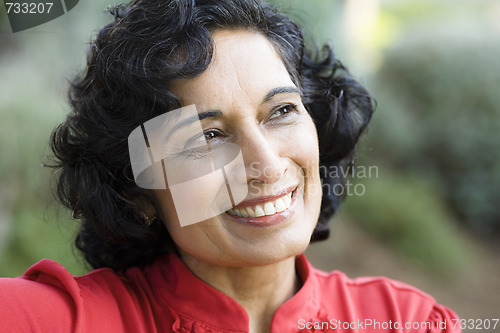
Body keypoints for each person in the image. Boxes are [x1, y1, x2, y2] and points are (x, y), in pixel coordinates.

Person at [0, 0, 461, 332]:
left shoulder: (407, 322)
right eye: (207, 136)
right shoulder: (57, 320)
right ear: (136, 192)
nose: (264, 163)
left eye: (281, 111)